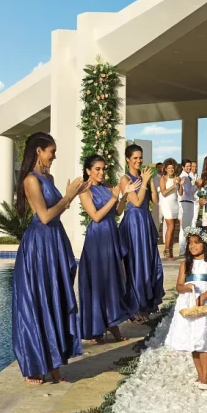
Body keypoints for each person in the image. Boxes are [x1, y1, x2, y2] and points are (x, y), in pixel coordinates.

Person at [12, 132, 88, 384]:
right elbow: (44, 216)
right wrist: (68, 197)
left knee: (55, 298)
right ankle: (34, 365)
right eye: (51, 151)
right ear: (39, 151)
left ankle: (55, 363)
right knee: (38, 300)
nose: (54, 156)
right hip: (39, 246)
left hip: (54, 241)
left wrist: (73, 195)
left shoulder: (48, 177)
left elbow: (56, 213)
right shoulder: (30, 180)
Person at [79, 155, 141, 343]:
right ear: (88, 171)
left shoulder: (108, 188)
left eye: (103, 169)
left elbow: (117, 212)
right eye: (97, 169)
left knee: (113, 281)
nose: (101, 172)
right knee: (99, 283)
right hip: (97, 238)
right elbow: (96, 216)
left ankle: (112, 323)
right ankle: (98, 329)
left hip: (111, 235)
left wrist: (122, 197)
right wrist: (114, 197)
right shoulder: (84, 190)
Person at [165, 227, 207, 390]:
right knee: (194, 339)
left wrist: (203, 297)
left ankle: (206, 376)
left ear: (206, 244)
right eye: (190, 243)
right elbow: (178, 286)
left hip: (206, 304)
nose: (192, 246)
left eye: (196, 243)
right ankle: (199, 374)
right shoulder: (186, 264)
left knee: (204, 338)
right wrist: (186, 287)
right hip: (188, 303)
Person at [119, 144, 164, 322]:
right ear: (128, 159)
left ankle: (146, 304)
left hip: (145, 222)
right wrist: (144, 182)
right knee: (135, 264)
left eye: (140, 157)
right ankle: (134, 306)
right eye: (135, 158)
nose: (138, 161)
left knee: (149, 262)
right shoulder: (125, 179)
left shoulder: (145, 177)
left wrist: (150, 182)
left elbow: (155, 200)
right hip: (133, 224)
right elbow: (136, 203)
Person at [159, 158, 182, 260]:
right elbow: (163, 193)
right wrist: (173, 186)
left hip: (175, 203)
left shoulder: (177, 178)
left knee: (173, 229)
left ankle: (171, 250)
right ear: (166, 169)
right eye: (169, 168)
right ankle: (167, 250)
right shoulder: (163, 179)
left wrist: (180, 184)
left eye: (172, 168)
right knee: (170, 227)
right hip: (166, 204)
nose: (171, 170)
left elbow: (180, 193)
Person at [178, 159, 197, 256]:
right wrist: (196, 185)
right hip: (185, 202)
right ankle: (182, 249)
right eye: (187, 166)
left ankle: (184, 249)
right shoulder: (184, 177)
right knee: (185, 227)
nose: (189, 168)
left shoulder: (188, 176)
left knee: (187, 227)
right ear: (183, 167)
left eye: (190, 166)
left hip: (188, 202)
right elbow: (188, 191)